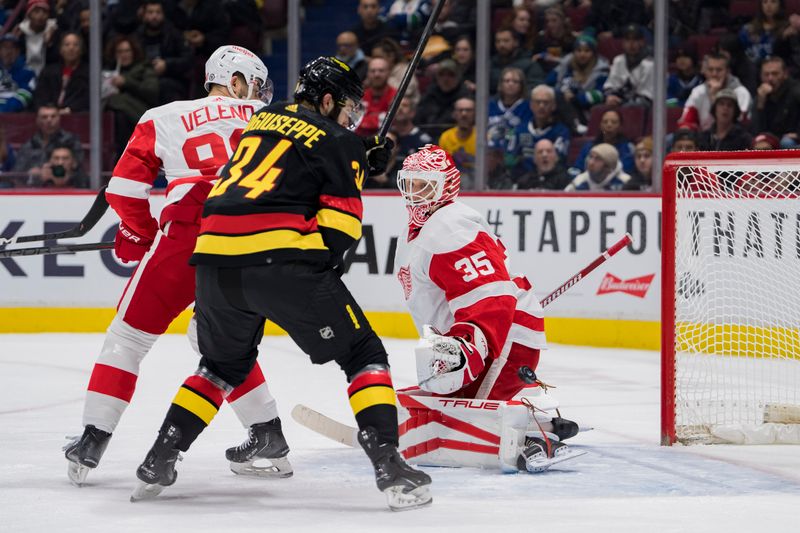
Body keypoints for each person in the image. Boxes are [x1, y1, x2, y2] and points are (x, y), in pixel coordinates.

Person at [132, 56, 432, 511]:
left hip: (212, 263)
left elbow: (290, 161)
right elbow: (339, 234)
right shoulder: (340, 141)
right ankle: (390, 465)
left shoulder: (259, 120)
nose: (351, 118)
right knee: (363, 353)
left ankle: (160, 457)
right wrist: (353, 167)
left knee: (221, 365)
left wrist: (353, 159)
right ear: (327, 100)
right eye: (348, 108)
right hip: (279, 261)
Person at [64, 45, 287, 486]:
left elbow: (125, 190)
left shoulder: (163, 115)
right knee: (221, 344)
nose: (257, 94)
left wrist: (141, 233)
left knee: (127, 338)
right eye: (255, 84)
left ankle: (92, 439)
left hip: (190, 231)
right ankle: (267, 434)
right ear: (238, 81)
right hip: (257, 242)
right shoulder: (275, 123)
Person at [393, 144, 581, 472]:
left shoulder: (448, 227)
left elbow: (490, 298)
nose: (415, 194)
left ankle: (534, 439)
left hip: (502, 338)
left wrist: (466, 346)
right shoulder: (433, 229)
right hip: (493, 337)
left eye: (424, 185)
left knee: (453, 423)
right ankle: (538, 420)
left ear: (445, 185)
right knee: (433, 406)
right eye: (409, 184)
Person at [678, 53, 752, 131]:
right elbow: (687, 121)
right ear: (705, 72)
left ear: (728, 72)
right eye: (710, 70)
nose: (714, 74)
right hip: (703, 138)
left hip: (733, 138)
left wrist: (714, 96)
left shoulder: (741, 93)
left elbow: (741, 124)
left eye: (719, 70)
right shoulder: (698, 92)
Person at [13, 103, 83, 184]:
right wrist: (32, 175)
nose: (49, 120)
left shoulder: (71, 141)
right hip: (34, 191)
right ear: (37, 120)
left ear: (59, 118)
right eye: (44, 117)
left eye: (53, 116)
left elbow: (79, 170)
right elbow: (17, 173)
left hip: (67, 189)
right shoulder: (29, 144)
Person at [752, 56, 800, 148]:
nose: (770, 78)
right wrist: (760, 105)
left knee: (787, 143)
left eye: (775, 74)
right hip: (773, 140)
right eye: (766, 74)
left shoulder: (796, 91)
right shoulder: (761, 95)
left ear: (785, 74)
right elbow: (756, 131)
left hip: (793, 142)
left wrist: (798, 134)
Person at [603, 24, 654, 107]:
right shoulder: (618, 60)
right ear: (623, 42)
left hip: (643, 107)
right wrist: (611, 97)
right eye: (627, 40)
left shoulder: (650, 64)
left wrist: (623, 102)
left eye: (635, 39)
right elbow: (610, 86)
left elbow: (646, 97)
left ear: (642, 42)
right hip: (620, 102)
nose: (631, 44)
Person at [438, 96, 475, 189]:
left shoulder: (483, 137)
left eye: (468, 110)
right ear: (454, 114)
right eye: (460, 110)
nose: (464, 114)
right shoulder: (446, 137)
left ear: (475, 113)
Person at [565, 143, 631, 191]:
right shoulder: (579, 181)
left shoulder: (626, 182)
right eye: (590, 157)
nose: (591, 162)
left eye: (598, 159)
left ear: (608, 165)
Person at [0, 33, 36, 112]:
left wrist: (3, 110)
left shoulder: (28, 73)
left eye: (12, 48)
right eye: (5, 47)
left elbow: (25, 95)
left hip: (14, 116)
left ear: (18, 52)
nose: (8, 52)